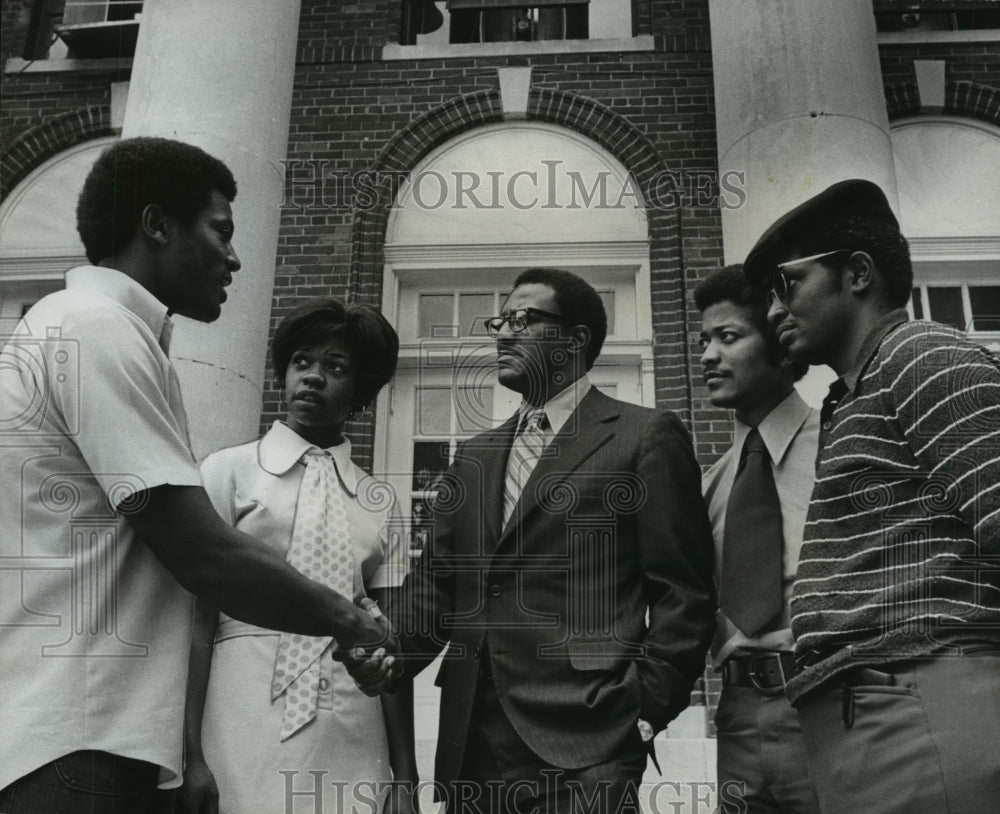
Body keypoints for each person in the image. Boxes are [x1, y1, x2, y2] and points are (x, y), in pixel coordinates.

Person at [0, 137, 393, 814]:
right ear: (156, 225)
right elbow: (204, 556)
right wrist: (353, 624)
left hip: (89, 732)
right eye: (222, 232)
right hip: (81, 738)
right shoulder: (97, 330)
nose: (235, 257)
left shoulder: (78, 328)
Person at [361, 267, 716, 813]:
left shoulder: (644, 436)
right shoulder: (475, 455)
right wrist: (384, 648)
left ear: (575, 339)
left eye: (523, 320)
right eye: (501, 320)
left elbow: (683, 594)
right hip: (471, 746)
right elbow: (436, 586)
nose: (502, 333)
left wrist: (642, 711)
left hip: (588, 747)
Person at [743, 179, 1000, 814]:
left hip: (928, 703)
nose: (771, 311)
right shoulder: (854, 393)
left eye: (785, 284)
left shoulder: (922, 353)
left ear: (857, 273)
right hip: (866, 723)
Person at [179, 298, 416, 814]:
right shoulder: (228, 472)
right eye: (301, 362)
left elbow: (392, 649)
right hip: (242, 700)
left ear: (361, 390)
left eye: (335, 368)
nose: (312, 377)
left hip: (350, 720)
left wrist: (406, 775)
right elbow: (194, 622)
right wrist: (188, 753)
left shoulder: (379, 502)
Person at [695, 266, 820, 814]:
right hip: (738, 713)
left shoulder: (844, 445)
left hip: (829, 703)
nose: (707, 356)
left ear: (780, 341)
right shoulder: (712, 484)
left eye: (728, 337)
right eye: (704, 341)